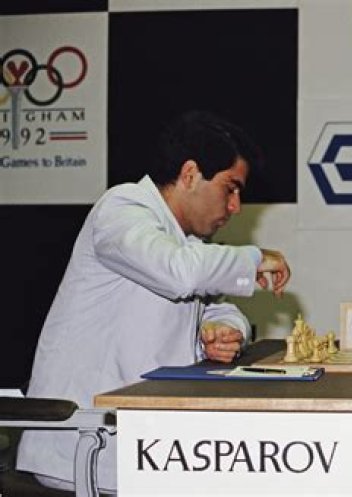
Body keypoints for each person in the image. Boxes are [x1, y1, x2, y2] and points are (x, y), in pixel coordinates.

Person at [17, 110, 291, 493]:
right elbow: (178, 272)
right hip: (87, 448)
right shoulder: (122, 209)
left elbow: (217, 305)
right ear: (190, 174)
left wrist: (225, 330)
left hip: (147, 438)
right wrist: (255, 258)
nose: (235, 206)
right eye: (230, 189)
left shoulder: (186, 241)